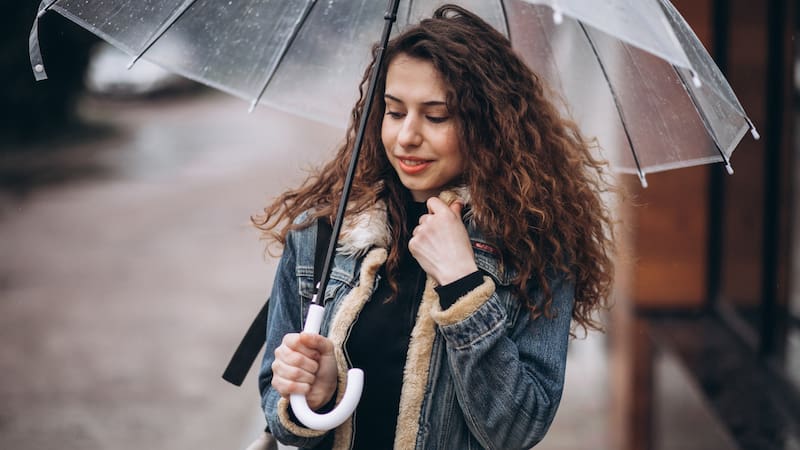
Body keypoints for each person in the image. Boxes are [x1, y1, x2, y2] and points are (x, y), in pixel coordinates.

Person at [253, 4, 614, 449]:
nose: (407, 136)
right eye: (394, 111)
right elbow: (276, 401)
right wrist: (318, 395)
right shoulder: (325, 234)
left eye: (436, 116)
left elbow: (516, 430)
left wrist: (462, 284)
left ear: (489, 125)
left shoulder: (535, 245)